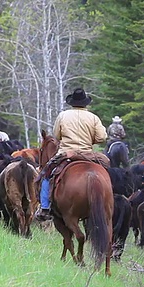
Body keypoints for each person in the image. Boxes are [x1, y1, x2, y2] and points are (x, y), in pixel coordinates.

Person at [35, 88, 108, 221]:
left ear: (72, 102)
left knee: (46, 174)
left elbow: (57, 135)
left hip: (66, 153)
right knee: (107, 169)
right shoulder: (93, 117)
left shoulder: (63, 116)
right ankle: (110, 200)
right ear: (85, 103)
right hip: (87, 154)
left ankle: (44, 207)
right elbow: (102, 137)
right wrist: (91, 139)